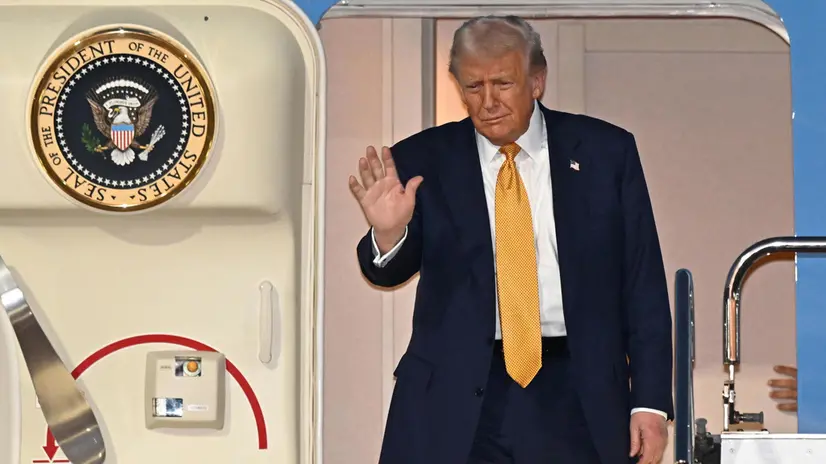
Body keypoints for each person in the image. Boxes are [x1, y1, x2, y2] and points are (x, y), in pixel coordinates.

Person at [349, 15, 673, 464]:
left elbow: (644, 286)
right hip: (455, 395)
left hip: (575, 392)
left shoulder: (605, 152)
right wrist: (388, 233)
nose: (487, 102)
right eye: (472, 87)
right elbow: (387, 269)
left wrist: (651, 402)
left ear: (537, 80)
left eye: (502, 83)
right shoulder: (422, 159)